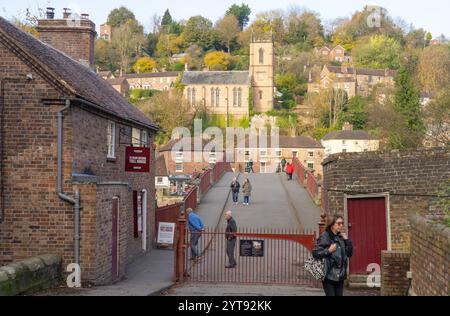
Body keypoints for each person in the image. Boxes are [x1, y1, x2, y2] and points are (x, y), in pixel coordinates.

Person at [312, 214, 353, 296]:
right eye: (338, 223)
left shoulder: (341, 237)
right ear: (332, 224)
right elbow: (315, 253)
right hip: (329, 275)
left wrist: (347, 240)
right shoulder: (325, 237)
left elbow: (349, 254)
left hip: (340, 276)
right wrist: (328, 250)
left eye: (342, 223)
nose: (341, 225)